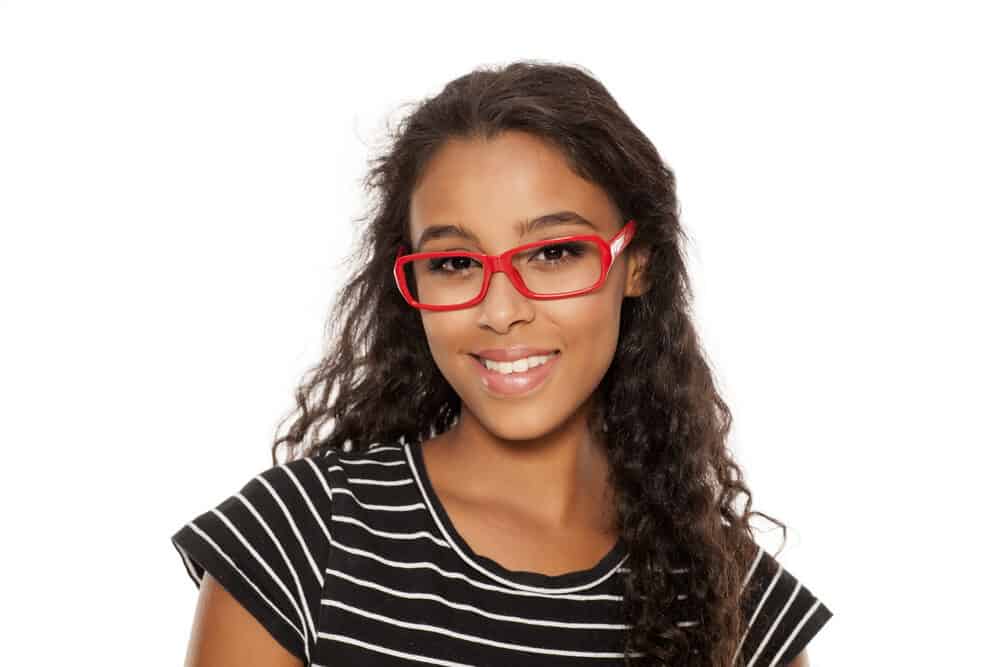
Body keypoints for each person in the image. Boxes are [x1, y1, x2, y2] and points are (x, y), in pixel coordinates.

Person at [171, 60, 832, 666]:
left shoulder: (735, 604)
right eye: (455, 263)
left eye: (553, 253)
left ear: (635, 264)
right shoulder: (300, 545)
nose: (502, 308)